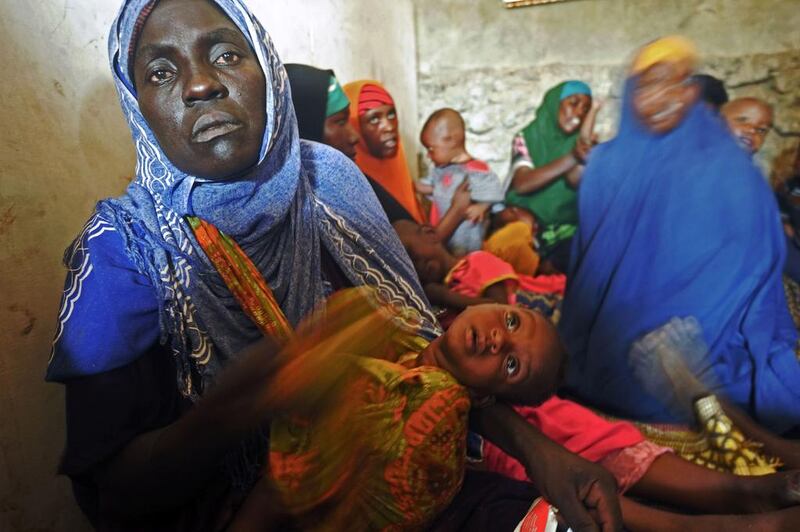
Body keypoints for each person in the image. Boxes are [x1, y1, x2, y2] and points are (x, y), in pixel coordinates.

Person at [45, 0, 625, 529]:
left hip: (395, 483)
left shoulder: (327, 180)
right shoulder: (124, 251)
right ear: (137, 104)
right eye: (161, 72)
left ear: (267, 71)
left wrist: (544, 455)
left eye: (226, 53)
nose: (200, 84)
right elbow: (113, 493)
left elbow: (426, 357)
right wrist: (236, 410)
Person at [559, 35, 800, 434]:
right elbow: (589, 281)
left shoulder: (730, 172)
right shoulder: (606, 167)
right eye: (649, 84)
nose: (665, 97)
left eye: (679, 84)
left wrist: (687, 343)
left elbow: (751, 275)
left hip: (710, 329)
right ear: (630, 92)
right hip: (613, 339)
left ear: (693, 93)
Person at [284, 63, 415, 223]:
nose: (355, 137)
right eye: (340, 122)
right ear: (305, 126)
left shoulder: (358, 187)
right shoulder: (291, 217)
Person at [505, 80, 596, 272]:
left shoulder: (581, 144)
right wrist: (572, 157)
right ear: (555, 103)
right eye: (573, 103)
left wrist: (583, 152)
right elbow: (522, 183)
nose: (579, 112)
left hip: (564, 230)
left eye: (586, 108)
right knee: (514, 237)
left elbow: (574, 180)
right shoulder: (527, 137)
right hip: (527, 223)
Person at [394, 219, 565, 318]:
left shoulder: (476, 261)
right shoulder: (440, 298)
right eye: (407, 268)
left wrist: (444, 297)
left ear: (430, 233)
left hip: (556, 297)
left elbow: (500, 308)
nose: (414, 265)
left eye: (409, 253)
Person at [417, 108, 505, 254]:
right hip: (443, 232)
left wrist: (482, 207)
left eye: (431, 149)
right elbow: (431, 187)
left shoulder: (475, 170)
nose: (428, 155)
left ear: (450, 140)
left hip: (465, 238)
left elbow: (494, 194)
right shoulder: (440, 170)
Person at [343, 80, 427, 224]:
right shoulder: (351, 192)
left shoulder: (402, 176)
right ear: (354, 126)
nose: (388, 127)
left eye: (391, 115)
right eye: (374, 119)